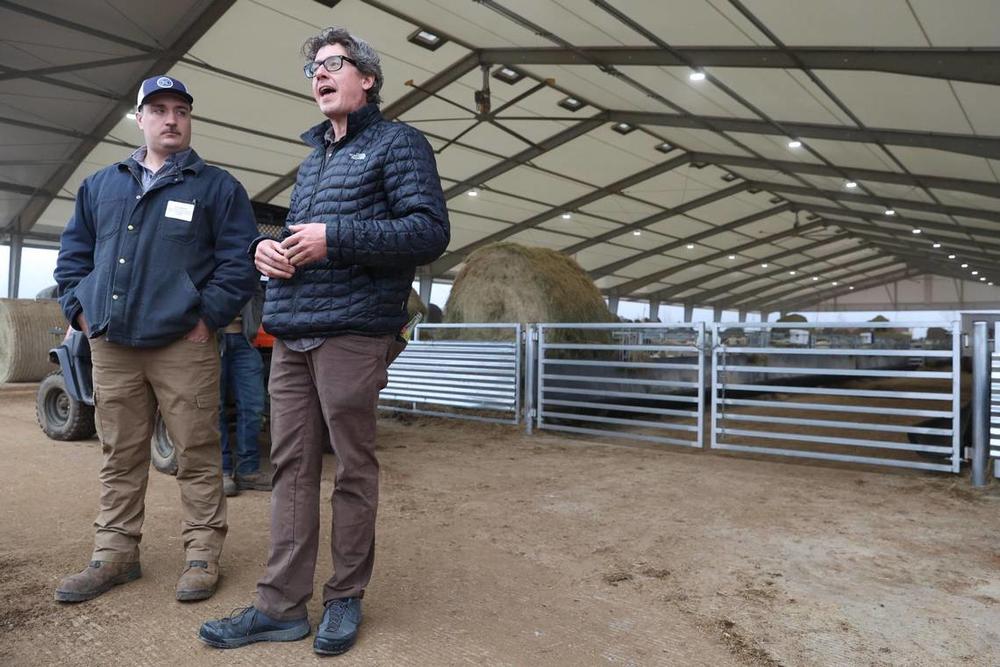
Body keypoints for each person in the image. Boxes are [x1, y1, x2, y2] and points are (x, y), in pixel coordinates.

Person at [199, 26, 449, 656]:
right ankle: (279, 606)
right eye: (313, 67)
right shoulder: (313, 162)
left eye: (333, 63)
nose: (319, 74)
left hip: (352, 334)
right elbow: (299, 237)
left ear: (367, 78)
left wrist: (334, 238)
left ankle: (343, 597)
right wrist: (266, 250)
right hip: (292, 333)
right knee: (291, 470)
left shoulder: (400, 144)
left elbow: (427, 231)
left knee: (352, 470)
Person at [53, 75, 258, 604]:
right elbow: (73, 257)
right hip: (112, 343)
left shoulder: (217, 188)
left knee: (196, 450)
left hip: (182, 344)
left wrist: (206, 318)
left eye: (182, 110)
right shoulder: (101, 185)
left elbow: (239, 266)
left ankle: (202, 553)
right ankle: (115, 554)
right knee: (119, 451)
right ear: (139, 118)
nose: (172, 119)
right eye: (160, 109)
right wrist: (79, 312)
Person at [218, 280, 268, 497]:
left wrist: (253, 324)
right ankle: (222, 470)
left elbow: (257, 291)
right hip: (210, 340)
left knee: (254, 405)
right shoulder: (205, 251)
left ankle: (248, 470)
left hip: (244, 340)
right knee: (213, 406)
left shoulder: (243, 253)